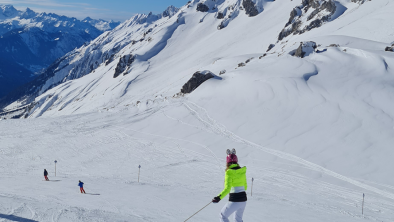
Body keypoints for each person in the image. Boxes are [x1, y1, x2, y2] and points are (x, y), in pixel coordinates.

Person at [212, 149, 247, 222]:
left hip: (235, 199)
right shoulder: (242, 171)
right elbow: (245, 186)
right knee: (238, 219)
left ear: (227, 162)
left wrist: (218, 197)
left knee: (223, 216)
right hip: (243, 200)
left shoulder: (229, 172)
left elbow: (227, 189)